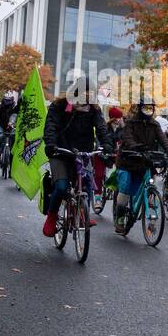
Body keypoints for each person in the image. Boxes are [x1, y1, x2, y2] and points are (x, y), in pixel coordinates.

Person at [41, 76, 113, 237]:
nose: (88, 99)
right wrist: (51, 144)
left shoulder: (94, 109)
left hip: (83, 153)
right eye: (86, 94)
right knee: (61, 186)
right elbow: (51, 125)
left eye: (91, 94)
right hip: (60, 151)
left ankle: (82, 214)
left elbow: (101, 128)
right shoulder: (59, 105)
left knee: (87, 185)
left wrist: (107, 145)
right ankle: (51, 217)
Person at [113, 93, 168, 235]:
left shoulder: (154, 124)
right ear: (140, 108)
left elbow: (163, 139)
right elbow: (127, 138)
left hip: (144, 161)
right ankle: (120, 217)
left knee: (149, 184)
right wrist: (135, 147)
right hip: (128, 159)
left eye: (151, 108)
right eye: (145, 108)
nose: (148, 110)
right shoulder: (131, 123)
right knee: (125, 188)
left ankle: (148, 211)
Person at [0, 91, 20, 161]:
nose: (7, 102)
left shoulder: (15, 107)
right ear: (3, 99)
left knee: (13, 137)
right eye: (6, 100)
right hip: (1, 125)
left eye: (9, 100)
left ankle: (12, 154)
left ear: (12, 100)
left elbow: (16, 115)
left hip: (11, 125)